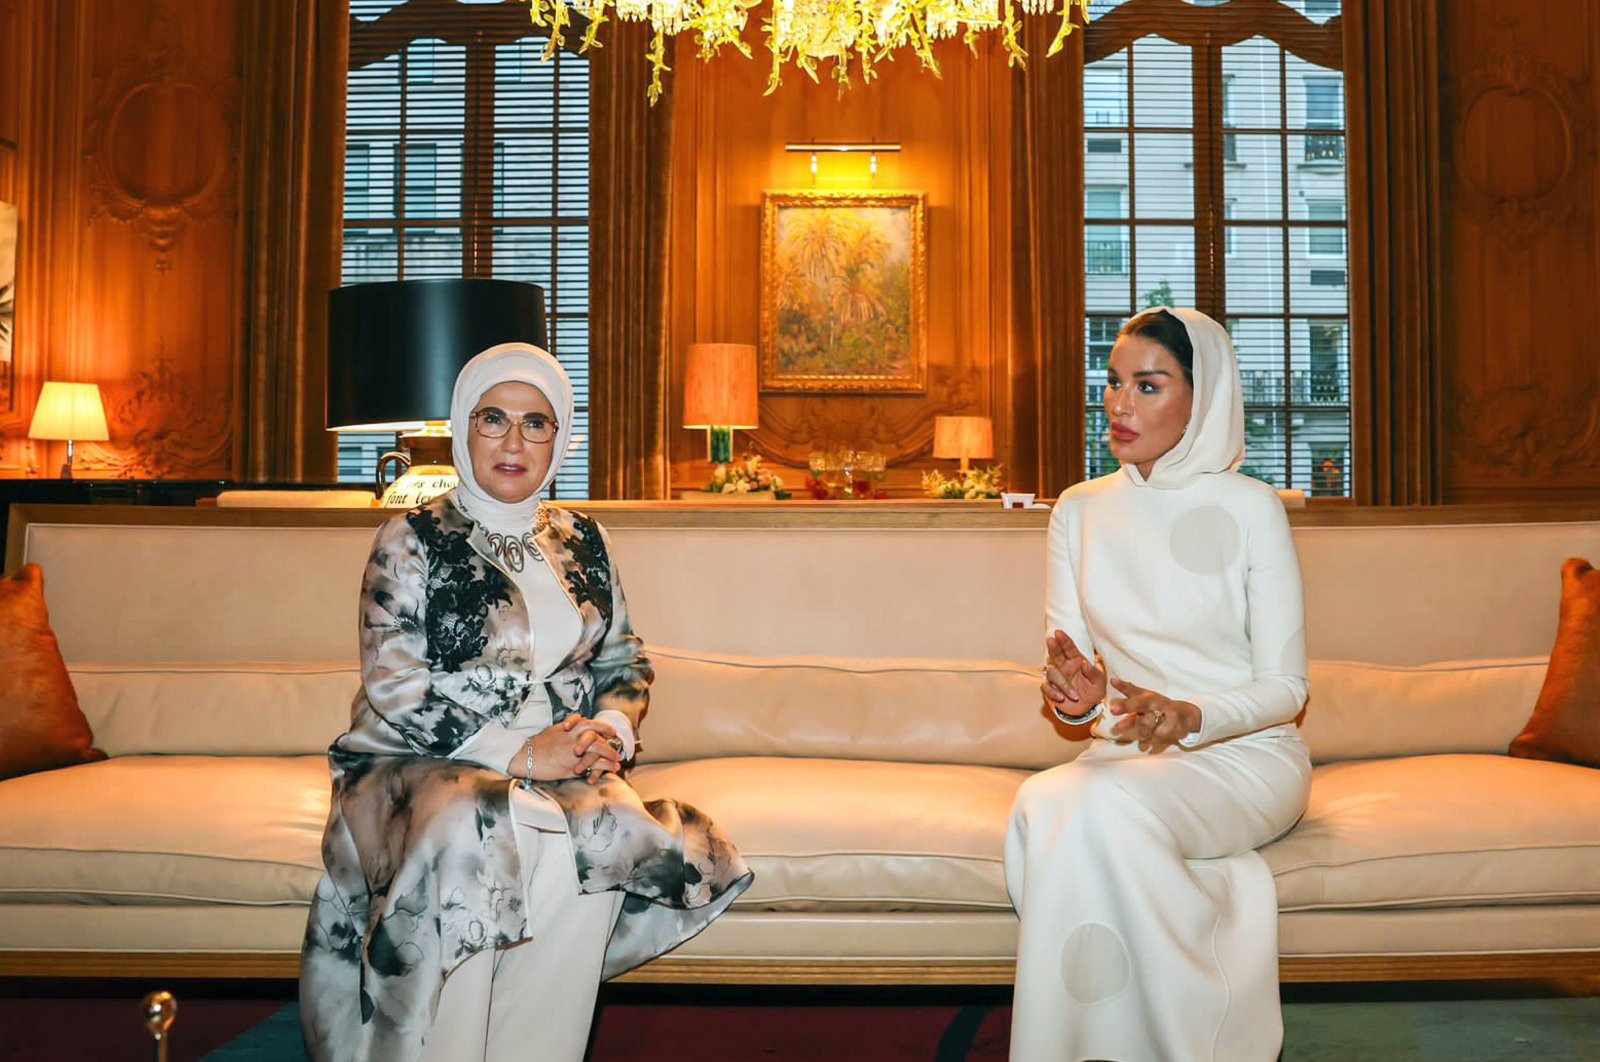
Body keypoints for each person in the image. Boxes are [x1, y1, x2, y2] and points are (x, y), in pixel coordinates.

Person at [301, 343, 752, 1062]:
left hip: (560, 763)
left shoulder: (583, 540)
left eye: (536, 424)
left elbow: (622, 656)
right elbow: (394, 684)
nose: (514, 442)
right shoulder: (410, 538)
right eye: (493, 419)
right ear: (462, 428)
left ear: (560, 438)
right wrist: (515, 753)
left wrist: (608, 729)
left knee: (603, 829)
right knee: (484, 821)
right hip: (419, 764)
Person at [1005, 308, 1312, 1061]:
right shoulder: (1078, 511)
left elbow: (1289, 688)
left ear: (1201, 397)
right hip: (1128, 761)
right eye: (1112, 383)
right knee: (1043, 799)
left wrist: (1191, 714)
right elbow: (1079, 684)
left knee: (1098, 811)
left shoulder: (1251, 508)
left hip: (1247, 759)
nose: (1118, 404)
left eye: (1147, 385)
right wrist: (1074, 697)